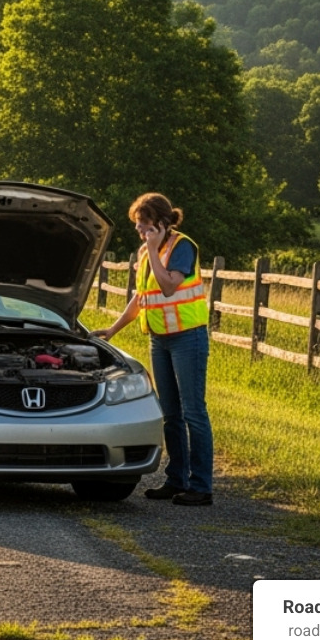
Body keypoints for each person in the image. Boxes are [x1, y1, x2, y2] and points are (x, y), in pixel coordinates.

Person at [94, 193, 214, 506]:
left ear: (159, 223)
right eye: (137, 225)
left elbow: (168, 285)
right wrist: (113, 329)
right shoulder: (147, 252)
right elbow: (142, 295)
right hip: (159, 338)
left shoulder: (181, 246)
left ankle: (201, 487)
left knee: (193, 413)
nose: (138, 230)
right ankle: (176, 480)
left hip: (188, 337)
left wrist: (151, 247)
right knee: (170, 414)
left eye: (143, 225)